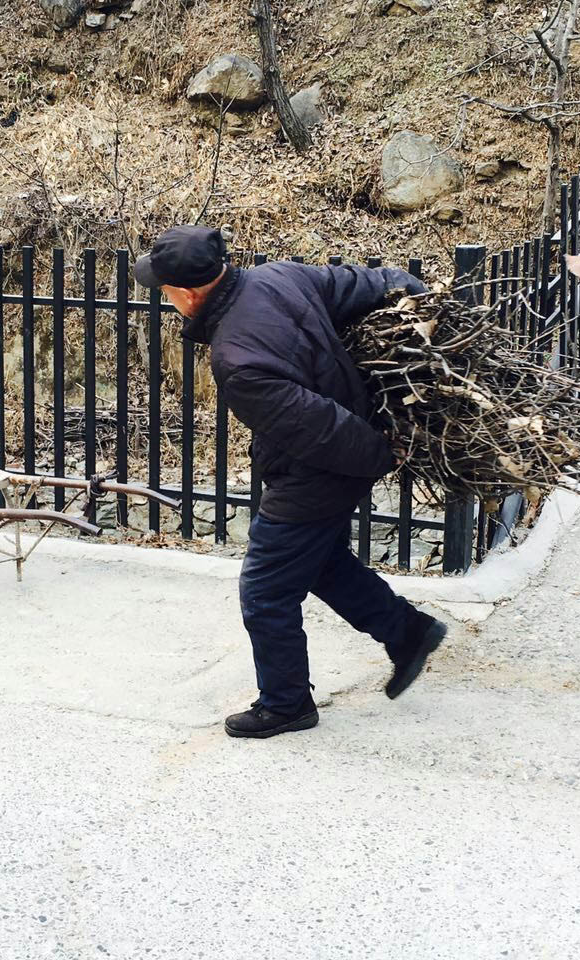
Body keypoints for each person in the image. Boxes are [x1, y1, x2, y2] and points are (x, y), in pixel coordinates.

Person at [133, 225, 448, 740]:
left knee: (266, 589)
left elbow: (320, 429)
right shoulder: (279, 277)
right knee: (320, 562)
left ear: (186, 294)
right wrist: (424, 297)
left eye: (165, 291)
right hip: (336, 457)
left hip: (317, 472)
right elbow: (369, 283)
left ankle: (285, 704)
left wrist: (381, 453)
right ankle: (408, 632)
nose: (166, 300)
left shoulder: (236, 357)